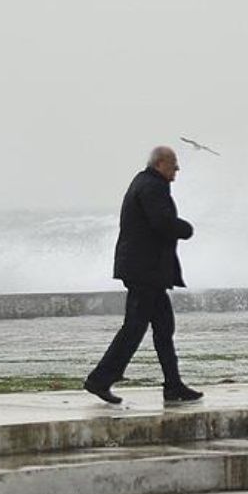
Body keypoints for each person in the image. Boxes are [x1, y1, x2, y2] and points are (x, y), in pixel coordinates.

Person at [84, 145, 203, 405]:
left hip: (146, 272)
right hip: (144, 272)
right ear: (160, 164)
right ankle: (100, 379)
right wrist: (185, 228)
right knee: (134, 329)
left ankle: (173, 386)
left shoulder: (145, 182)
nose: (177, 169)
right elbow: (161, 223)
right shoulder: (152, 186)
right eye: (174, 164)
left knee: (163, 329)